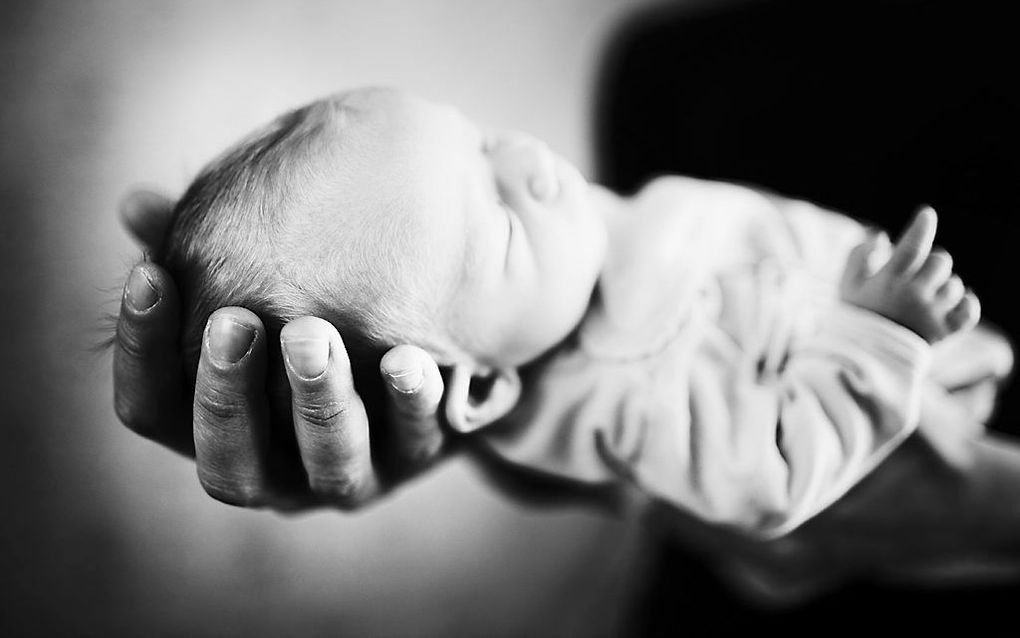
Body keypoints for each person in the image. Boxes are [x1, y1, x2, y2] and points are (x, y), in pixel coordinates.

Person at [147, 85, 1010, 545]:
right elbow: (776, 478)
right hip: (927, 410)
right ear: (481, 382)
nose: (532, 159)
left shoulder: (559, 267)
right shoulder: (630, 397)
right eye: (500, 216)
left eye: (482, 140)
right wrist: (880, 332)